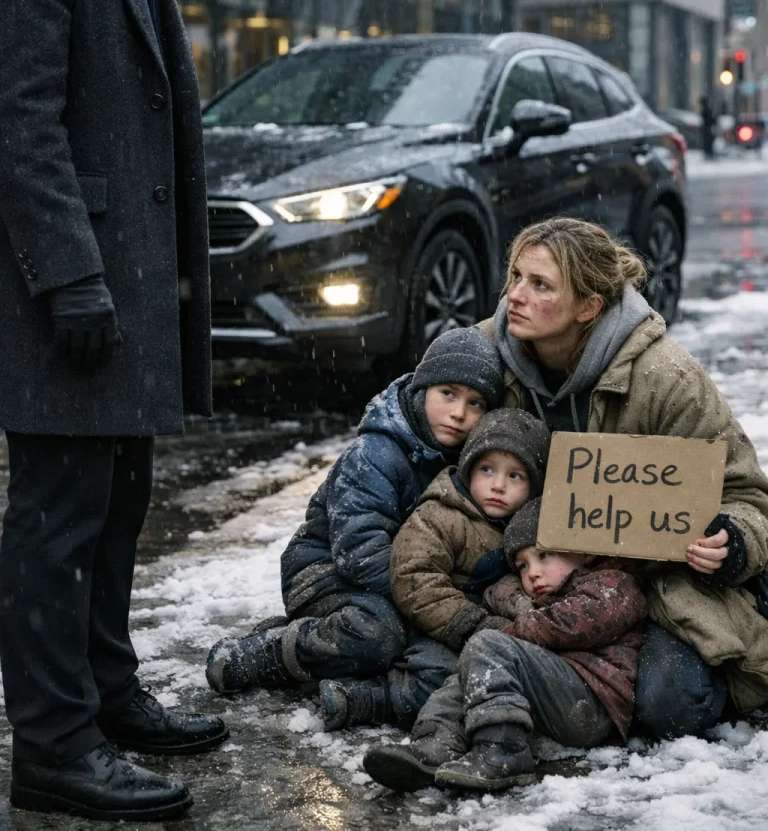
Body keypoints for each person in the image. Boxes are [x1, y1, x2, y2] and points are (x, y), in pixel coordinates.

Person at [0, 0, 225, 821]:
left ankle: (105, 693)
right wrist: (72, 281)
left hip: (122, 285)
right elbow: (20, 124)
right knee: (58, 520)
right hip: (71, 293)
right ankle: (51, 745)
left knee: (118, 500)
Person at [476, 216, 768, 740]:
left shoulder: (666, 378)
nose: (515, 296)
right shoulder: (486, 353)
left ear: (589, 307)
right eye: (515, 277)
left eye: (540, 285)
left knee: (668, 707)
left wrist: (732, 542)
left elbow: (747, 494)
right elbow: (421, 421)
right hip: (533, 566)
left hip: (658, 583)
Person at [206, 326, 505, 730]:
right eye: (447, 394)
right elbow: (359, 551)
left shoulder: (470, 467)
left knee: (445, 657)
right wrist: (428, 604)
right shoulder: (375, 454)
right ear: (421, 391)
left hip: (408, 587)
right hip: (325, 571)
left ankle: (358, 691)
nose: (459, 412)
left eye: (476, 403)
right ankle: (272, 653)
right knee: (377, 633)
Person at [364, 496, 646, 792]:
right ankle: (436, 744)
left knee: (488, 644)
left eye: (545, 555)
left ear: (584, 553)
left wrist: (509, 631)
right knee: (469, 667)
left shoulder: (613, 584)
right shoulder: (537, 601)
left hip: (593, 704)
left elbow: (574, 624)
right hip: (555, 701)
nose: (533, 572)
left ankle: (503, 750)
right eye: (522, 566)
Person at [389, 409, 550, 648]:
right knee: (435, 671)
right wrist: (472, 625)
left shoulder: (532, 525)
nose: (498, 486)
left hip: (501, 627)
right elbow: (414, 579)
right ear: (468, 470)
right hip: (440, 629)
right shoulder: (439, 516)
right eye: (487, 469)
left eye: (515, 475)